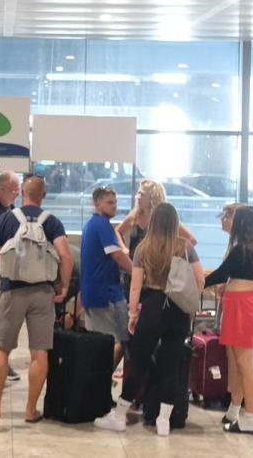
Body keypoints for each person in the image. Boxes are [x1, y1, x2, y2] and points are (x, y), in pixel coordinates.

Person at [95, 203, 205, 436]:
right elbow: (199, 280)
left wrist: (133, 314)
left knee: (139, 363)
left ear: (154, 221)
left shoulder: (145, 248)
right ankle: (163, 421)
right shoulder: (185, 247)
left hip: (153, 307)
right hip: (178, 310)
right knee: (171, 365)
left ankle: (120, 415)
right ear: (175, 223)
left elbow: (135, 287)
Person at [0, 175, 72, 422]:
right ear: (43, 195)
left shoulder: (7, 218)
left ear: (23, 192)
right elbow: (65, 257)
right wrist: (63, 287)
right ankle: (30, 410)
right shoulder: (52, 222)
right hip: (43, 293)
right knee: (39, 352)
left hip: (11, 291)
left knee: (2, 348)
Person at [204, 205, 253, 435]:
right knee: (235, 362)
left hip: (242, 307)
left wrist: (197, 280)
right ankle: (234, 410)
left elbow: (221, 274)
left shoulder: (242, 249)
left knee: (244, 364)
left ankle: (250, 418)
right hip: (240, 305)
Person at [80, 186, 132, 371]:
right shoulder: (101, 225)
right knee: (110, 343)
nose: (114, 206)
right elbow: (117, 256)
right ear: (97, 203)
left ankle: (101, 384)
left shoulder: (93, 225)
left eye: (115, 202)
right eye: (109, 202)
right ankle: (98, 383)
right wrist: (138, 273)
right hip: (104, 295)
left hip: (100, 293)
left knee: (118, 340)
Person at [116, 180, 198, 260]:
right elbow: (117, 231)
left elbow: (192, 240)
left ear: (153, 197)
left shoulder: (165, 217)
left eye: (143, 195)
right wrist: (123, 248)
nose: (138, 197)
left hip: (156, 269)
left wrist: (172, 255)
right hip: (134, 266)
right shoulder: (135, 214)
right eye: (139, 193)